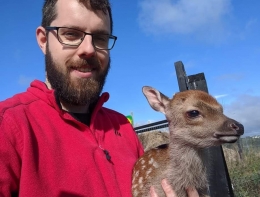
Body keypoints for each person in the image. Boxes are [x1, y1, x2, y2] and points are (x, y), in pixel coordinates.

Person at [0, 0, 199, 196]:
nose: (89, 49)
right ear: (44, 40)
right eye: (70, 34)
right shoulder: (8, 126)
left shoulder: (122, 126)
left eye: (100, 38)